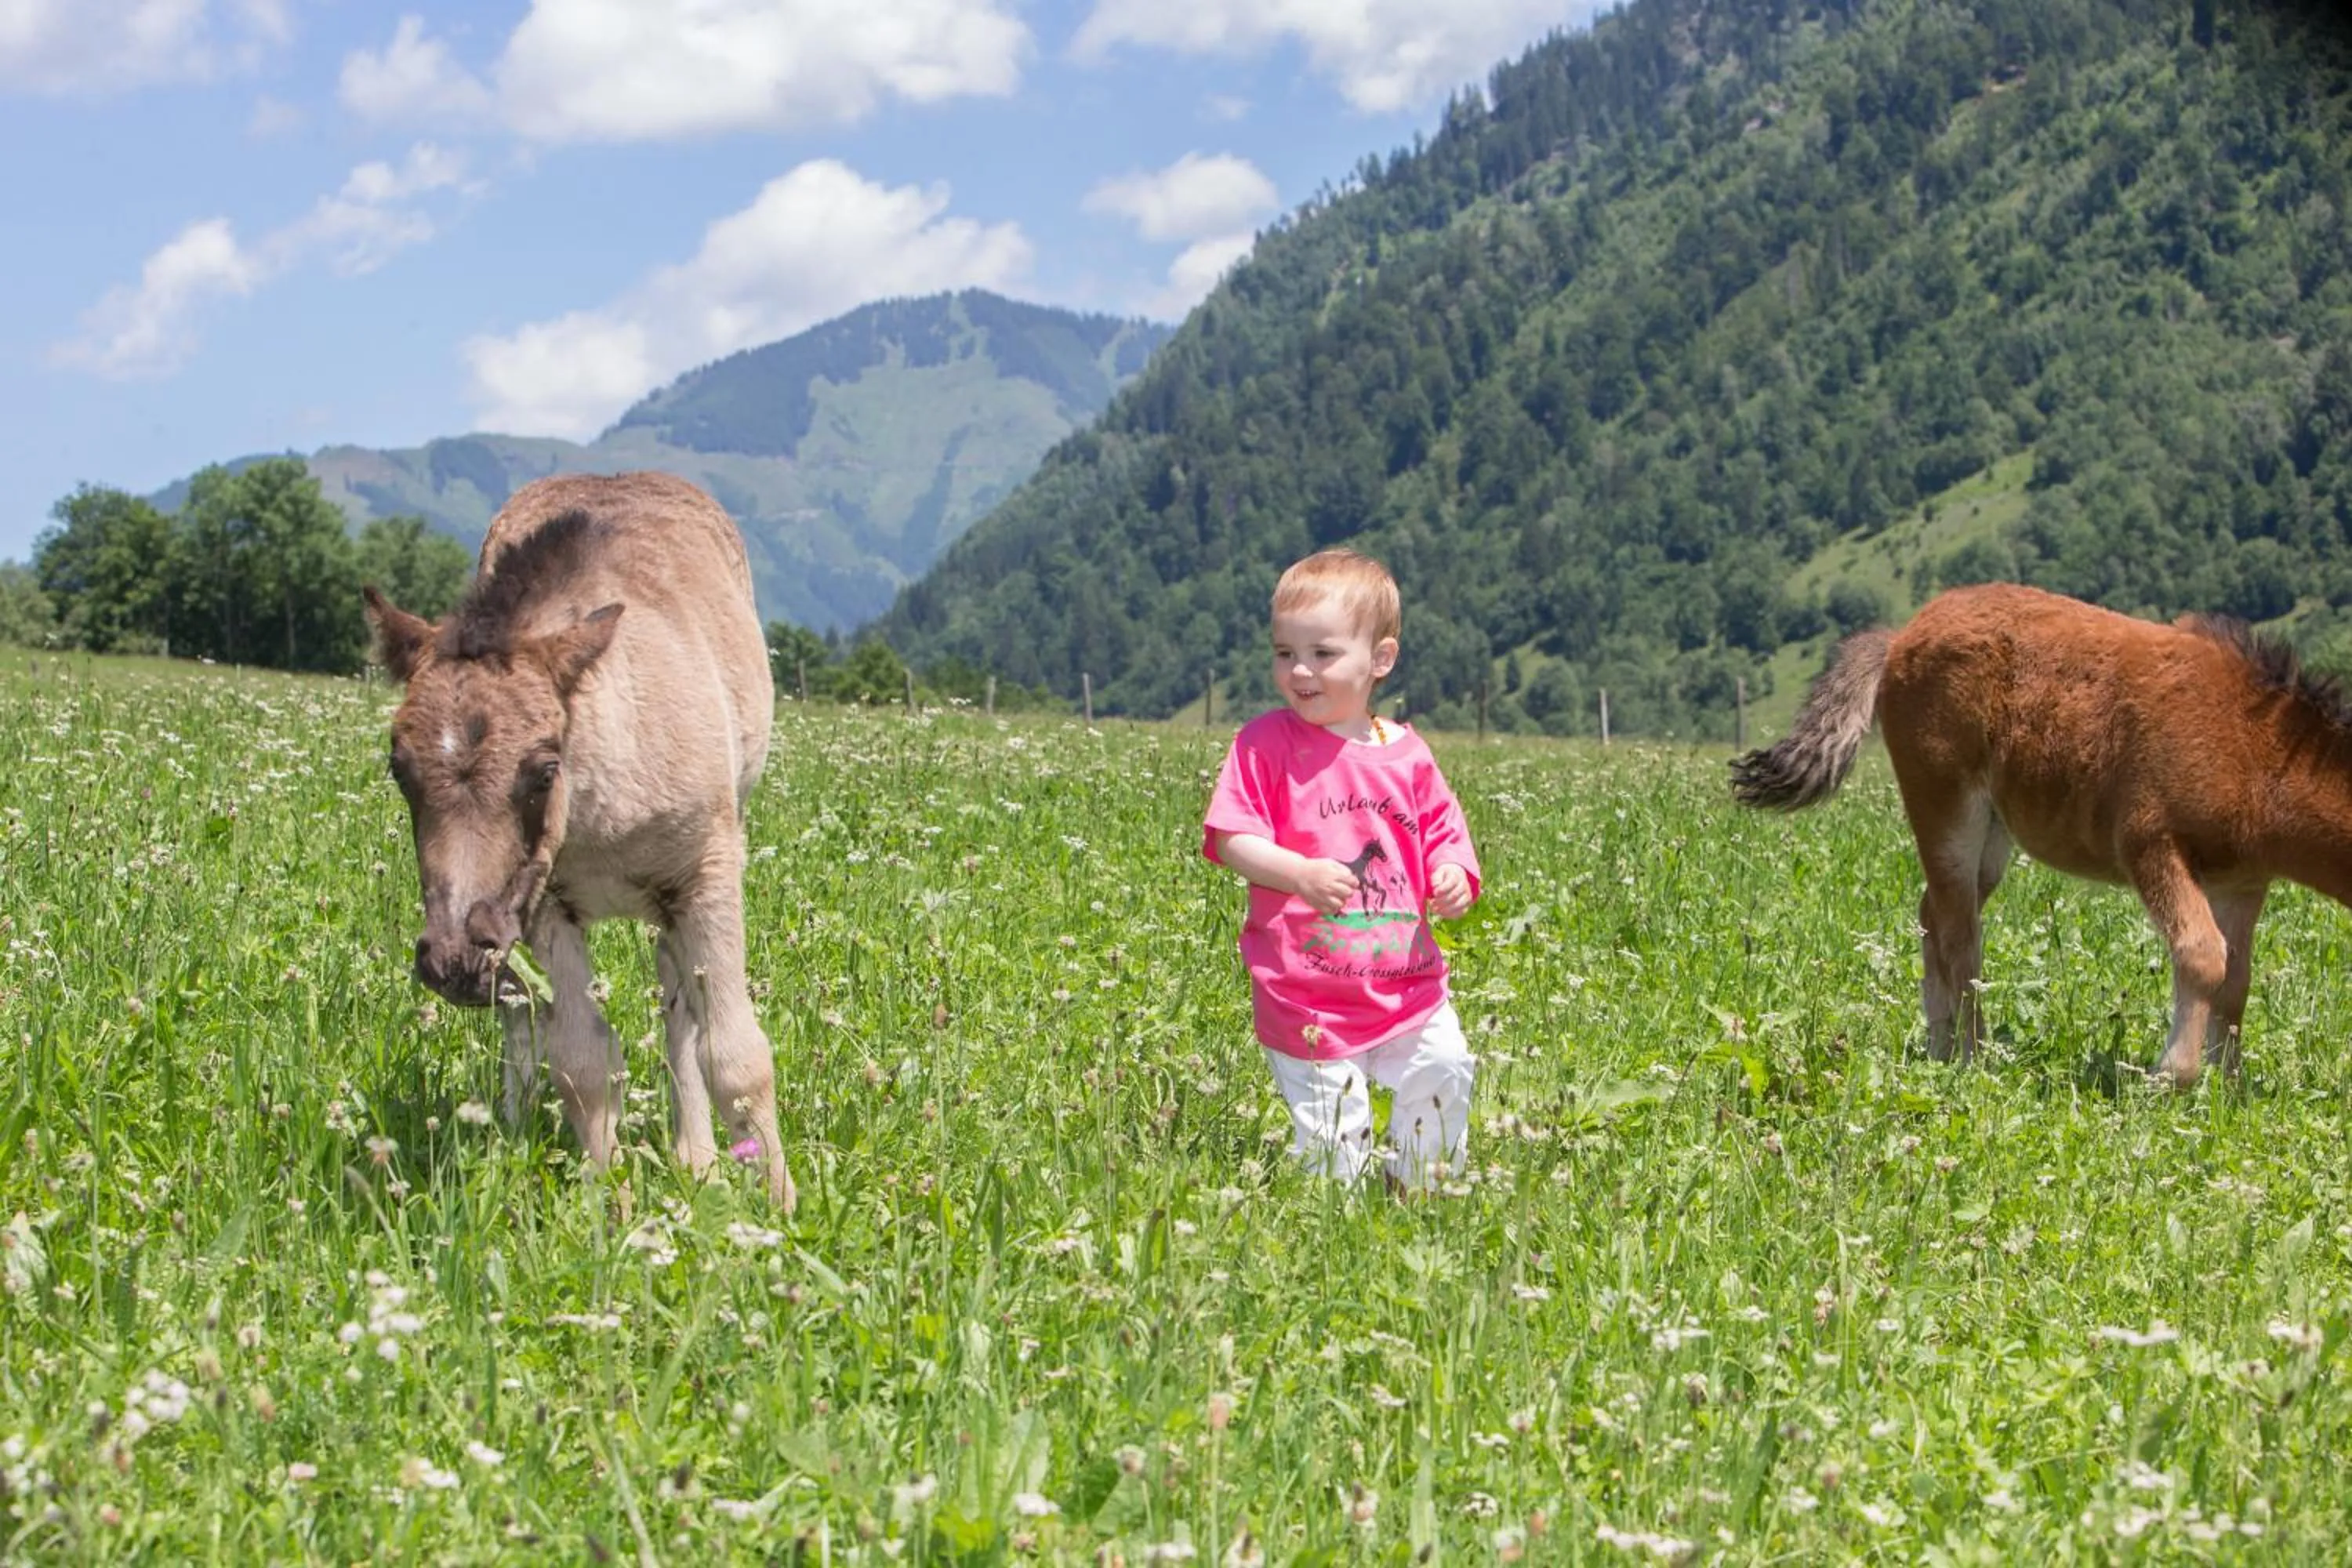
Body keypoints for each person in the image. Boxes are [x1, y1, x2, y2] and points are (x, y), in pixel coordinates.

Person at [1203, 548, 1483, 1192]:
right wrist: (1299, 874)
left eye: (1322, 654)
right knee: (1336, 1133)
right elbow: (1231, 839)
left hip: (1406, 981)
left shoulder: (1409, 755)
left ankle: (1420, 1188)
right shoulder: (1264, 744)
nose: (1300, 670)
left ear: (1380, 659)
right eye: (1283, 653)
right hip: (1305, 991)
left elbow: (1445, 834)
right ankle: (1339, 1227)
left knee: (1444, 1067)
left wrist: (1452, 875)